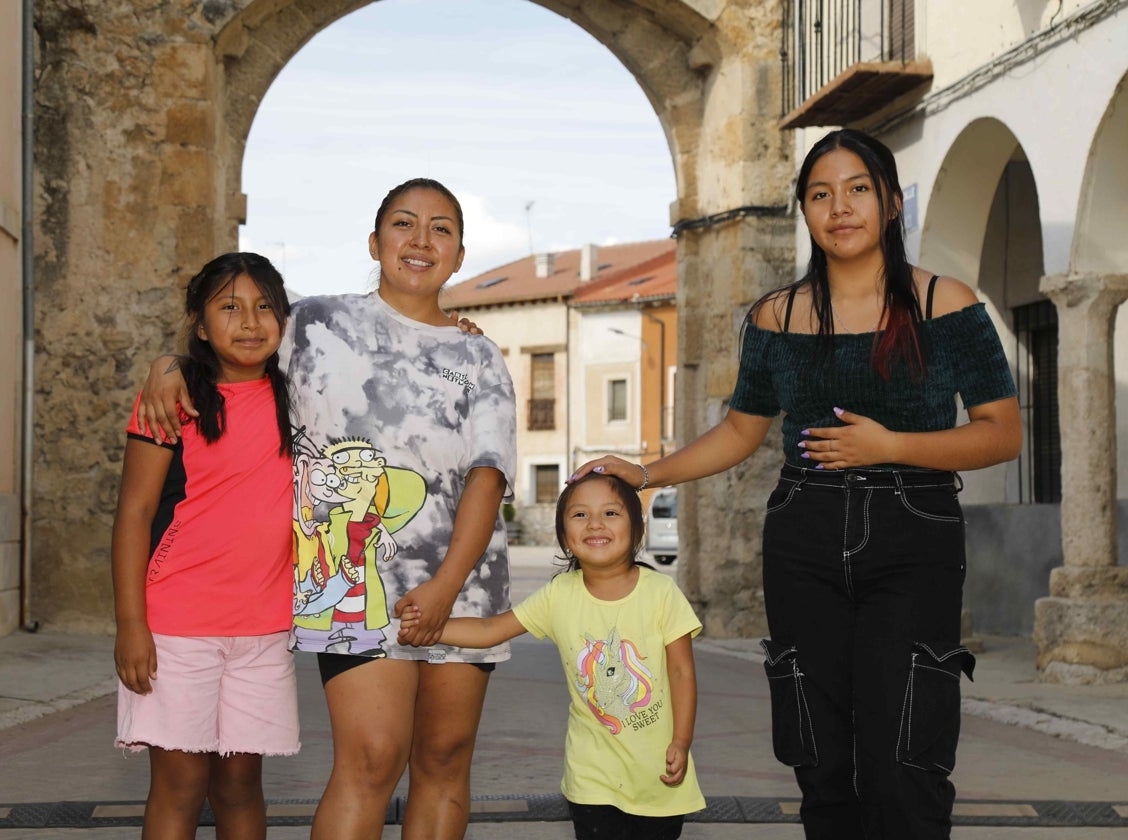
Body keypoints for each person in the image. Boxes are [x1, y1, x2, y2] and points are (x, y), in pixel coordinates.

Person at [572, 129, 1022, 839]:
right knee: (820, 759)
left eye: (858, 190)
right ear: (806, 214)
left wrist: (890, 444)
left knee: (903, 757)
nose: (839, 208)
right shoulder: (775, 317)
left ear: (893, 203)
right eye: (820, 194)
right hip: (802, 535)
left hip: (914, 533)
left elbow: (1002, 431)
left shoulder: (945, 304)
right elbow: (741, 431)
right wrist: (646, 473)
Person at [138, 178, 517, 840]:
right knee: (370, 761)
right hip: (350, 584)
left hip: (463, 583)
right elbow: (231, 342)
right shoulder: (314, 324)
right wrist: (169, 364)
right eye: (404, 223)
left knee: (444, 761)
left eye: (442, 228)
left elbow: (488, 475)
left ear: (458, 255)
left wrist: (448, 584)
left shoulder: (479, 354)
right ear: (375, 243)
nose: (421, 240)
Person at [399, 472, 705, 840]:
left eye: (611, 513)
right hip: (592, 778)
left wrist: (682, 740)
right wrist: (430, 626)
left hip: (657, 773)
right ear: (563, 536)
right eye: (579, 515)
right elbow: (491, 630)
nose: (595, 523)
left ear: (637, 527)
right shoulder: (560, 594)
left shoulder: (661, 593)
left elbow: (682, 673)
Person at [112, 252, 302, 840]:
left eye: (264, 306)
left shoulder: (300, 398)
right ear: (200, 323)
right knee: (179, 788)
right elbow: (133, 514)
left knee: (241, 789)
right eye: (229, 307)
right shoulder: (174, 400)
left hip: (264, 632)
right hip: (176, 628)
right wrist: (130, 624)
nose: (250, 321)